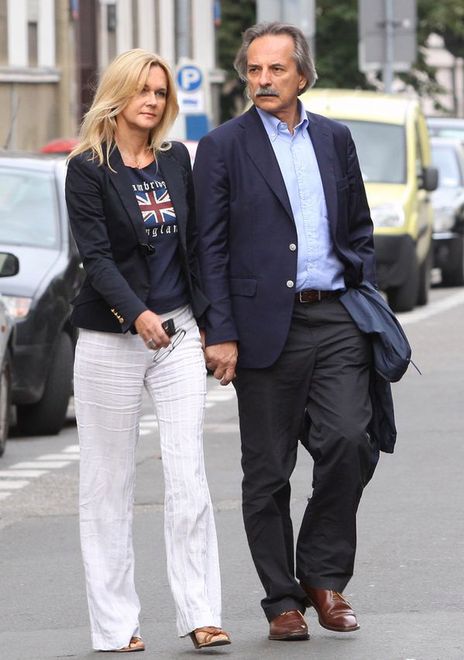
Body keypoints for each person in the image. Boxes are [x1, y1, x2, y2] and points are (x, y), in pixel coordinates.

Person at [193, 22, 385, 641]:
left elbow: (358, 228)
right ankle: (282, 600)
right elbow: (208, 248)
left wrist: (364, 291)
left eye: (276, 69)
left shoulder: (335, 138)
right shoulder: (222, 146)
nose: (263, 80)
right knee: (268, 471)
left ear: (302, 75)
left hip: (335, 315)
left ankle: (324, 578)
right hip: (260, 326)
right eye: (254, 70)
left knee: (350, 440)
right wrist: (221, 330)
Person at [65, 49, 231, 653]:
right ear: (118, 94)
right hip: (111, 338)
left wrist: (212, 323)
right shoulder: (88, 168)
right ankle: (116, 626)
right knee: (106, 482)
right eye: (143, 90)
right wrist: (135, 313)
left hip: (177, 332)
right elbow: (96, 257)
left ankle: (201, 613)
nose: (153, 101)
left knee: (188, 472)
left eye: (160, 92)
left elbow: (196, 248)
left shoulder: (175, 159)